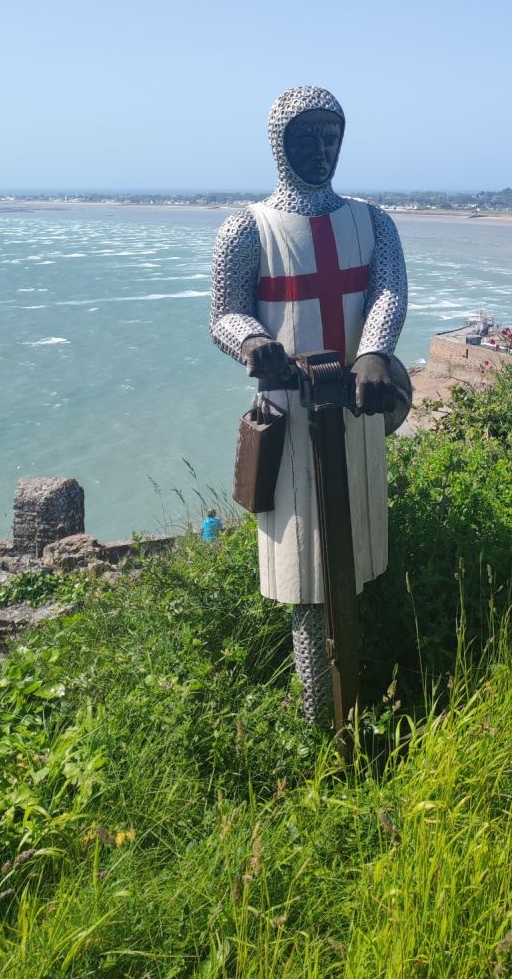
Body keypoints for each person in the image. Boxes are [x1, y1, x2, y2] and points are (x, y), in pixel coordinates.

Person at [209, 86, 408, 721]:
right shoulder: (247, 229)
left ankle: (361, 696)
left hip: (355, 409)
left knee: (357, 557)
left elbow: (387, 290)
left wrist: (374, 350)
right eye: (306, 138)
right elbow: (225, 313)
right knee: (303, 573)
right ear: (279, 144)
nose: (321, 150)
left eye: (331, 137)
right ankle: (318, 717)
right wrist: (254, 342)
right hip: (288, 419)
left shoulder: (372, 221)